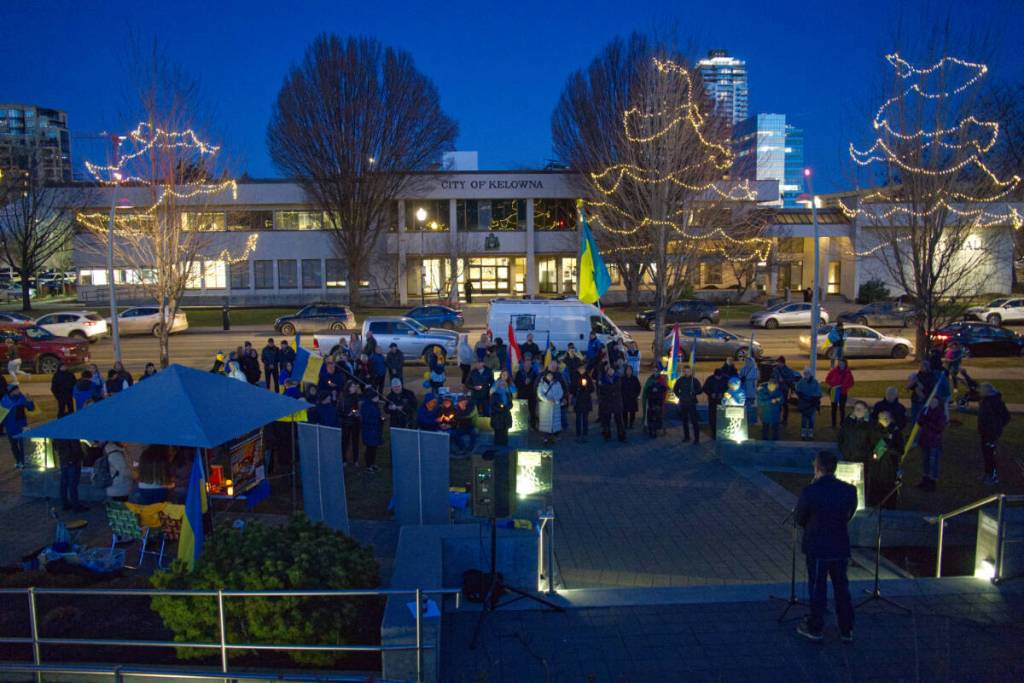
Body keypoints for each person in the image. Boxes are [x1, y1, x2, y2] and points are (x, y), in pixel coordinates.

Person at [795, 451, 858, 643]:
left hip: (818, 546)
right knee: (842, 588)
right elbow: (850, 513)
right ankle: (846, 628)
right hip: (839, 545)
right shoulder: (848, 490)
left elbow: (800, 518)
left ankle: (816, 627)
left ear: (817, 468)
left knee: (817, 587)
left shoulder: (810, 491)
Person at [977, 383, 1010, 485]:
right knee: (986, 454)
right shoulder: (985, 401)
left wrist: (997, 427)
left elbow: (1006, 417)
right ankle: (987, 473)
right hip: (985, 432)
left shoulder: (996, 402)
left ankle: (994, 477)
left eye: (982, 390)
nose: (980, 392)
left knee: (991, 455)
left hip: (992, 434)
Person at [869, 410, 903, 506]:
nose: (884, 420)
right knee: (876, 484)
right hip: (877, 466)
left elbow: (900, 450)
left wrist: (887, 449)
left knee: (889, 485)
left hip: (890, 465)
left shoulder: (896, 432)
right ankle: (875, 503)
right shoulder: (876, 430)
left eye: (886, 418)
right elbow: (872, 446)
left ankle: (889, 504)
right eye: (882, 418)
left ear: (891, 419)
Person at [916, 397, 948, 492]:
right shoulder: (926, 411)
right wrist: (922, 418)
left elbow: (939, 427)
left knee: (933, 462)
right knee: (925, 461)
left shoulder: (940, 414)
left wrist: (927, 422)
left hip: (934, 442)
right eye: (931, 401)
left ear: (938, 403)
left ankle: (932, 482)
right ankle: (925, 479)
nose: (932, 403)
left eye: (935, 402)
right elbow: (920, 421)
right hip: (925, 440)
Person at [2, 385, 34, 469]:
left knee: (23, 445)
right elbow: (1, 416)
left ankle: (23, 462)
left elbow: (31, 408)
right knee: (14, 446)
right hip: (10, 427)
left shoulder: (22, 398)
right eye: (16, 390)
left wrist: (30, 401)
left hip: (22, 426)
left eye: (18, 389)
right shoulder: (4, 400)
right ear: (11, 392)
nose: (18, 391)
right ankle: (18, 460)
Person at [54, 438, 87, 511]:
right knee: (73, 485)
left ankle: (65, 504)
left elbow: (56, 448)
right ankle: (76, 506)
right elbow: (76, 449)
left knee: (64, 484)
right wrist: (82, 456)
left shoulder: (57, 435)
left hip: (63, 461)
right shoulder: (71, 434)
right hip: (73, 461)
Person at [672, 366, 703, 444]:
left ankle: (697, 439)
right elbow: (675, 389)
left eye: (688, 371)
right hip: (683, 402)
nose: (687, 372)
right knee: (684, 421)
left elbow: (700, 390)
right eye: (685, 371)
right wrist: (679, 395)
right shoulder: (680, 380)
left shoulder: (694, 380)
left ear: (691, 372)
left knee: (694, 421)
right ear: (683, 372)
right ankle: (687, 437)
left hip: (692, 403)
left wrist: (694, 392)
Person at [597, 364, 625, 442]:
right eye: (608, 370)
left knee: (619, 420)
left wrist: (608, 388)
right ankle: (607, 434)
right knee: (606, 420)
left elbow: (617, 388)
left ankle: (621, 435)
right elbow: (602, 390)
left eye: (611, 369)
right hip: (607, 402)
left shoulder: (617, 378)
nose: (610, 371)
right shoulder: (603, 379)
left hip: (616, 402)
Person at [338, 381, 363, 466]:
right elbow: (339, 411)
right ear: (348, 387)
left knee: (355, 441)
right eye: (352, 386)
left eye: (355, 386)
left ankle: (355, 460)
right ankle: (343, 459)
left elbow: (358, 408)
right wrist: (347, 414)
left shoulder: (357, 397)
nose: (354, 388)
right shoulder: (343, 397)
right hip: (346, 422)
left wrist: (357, 413)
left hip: (356, 422)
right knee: (345, 441)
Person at [825, 359, 854, 428]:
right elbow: (827, 379)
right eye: (839, 363)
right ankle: (833, 424)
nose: (841, 365)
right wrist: (834, 385)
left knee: (842, 408)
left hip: (843, 392)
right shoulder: (834, 371)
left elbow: (851, 383)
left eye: (842, 364)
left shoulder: (848, 372)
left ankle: (842, 424)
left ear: (845, 364)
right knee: (833, 408)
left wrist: (843, 386)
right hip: (834, 391)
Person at [795, 368, 823, 440]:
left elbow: (819, 392)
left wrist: (813, 398)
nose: (806, 375)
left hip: (812, 404)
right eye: (805, 373)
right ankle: (803, 432)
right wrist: (801, 396)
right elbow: (797, 389)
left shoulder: (815, 382)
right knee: (804, 419)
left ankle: (810, 432)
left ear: (810, 374)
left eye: (807, 373)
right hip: (804, 404)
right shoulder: (801, 382)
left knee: (811, 419)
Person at [771, 356, 800, 425]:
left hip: (784, 389)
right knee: (776, 404)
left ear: (782, 363)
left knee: (784, 404)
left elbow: (791, 379)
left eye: (778, 362)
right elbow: (772, 378)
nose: (777, 363)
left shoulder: (788, 370)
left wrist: (783, 380)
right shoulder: (775, 369)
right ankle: (776, 418)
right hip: (776, 390)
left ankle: (784, 420)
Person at [537, 370, 564, 445]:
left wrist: (555, 399)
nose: (550, 377)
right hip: (545, 406)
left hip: (555, 404)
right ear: (545, 376)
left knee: (554, 421)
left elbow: (561, 392)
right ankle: (546, 437)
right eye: (548, 375)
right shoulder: (541, 384)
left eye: (551, 375)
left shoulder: (557, 383)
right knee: (546, 422)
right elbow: (539, 394)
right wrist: (547, 400)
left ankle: (553, 436)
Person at [514, 352, 540, 431]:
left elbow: (537, 383)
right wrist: (523, 383)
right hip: (522, 394)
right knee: (522, 411)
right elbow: (516, 383)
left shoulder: (534, 373)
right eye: (526, 361)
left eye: (529, 361)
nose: (528, 363)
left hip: (531, 394)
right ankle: (522, 425)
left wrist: (530, 382)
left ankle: (533, 425)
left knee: (532, 411)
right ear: (524, 362)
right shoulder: (519, 373)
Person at [360, 391, 383, 472]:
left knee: (374, 448)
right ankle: (368, 465)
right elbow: (365, 419)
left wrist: (380, 419)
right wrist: (377, 421)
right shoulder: (366, 406)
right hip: (369, 430)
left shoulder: (374, 405)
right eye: (376, 397)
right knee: (370, 448)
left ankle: (372, 463)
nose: (378, 398)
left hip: (375, 430)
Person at [703, 367, 728, 439]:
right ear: (714, 375)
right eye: (717, 377)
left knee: (722, 417)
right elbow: (705, 388)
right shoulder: (710, 379)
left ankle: (722, 432)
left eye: (719, 377)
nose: (718, 378)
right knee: (712, 418)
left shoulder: (725, 379)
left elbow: (729, 389)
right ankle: (713, 433)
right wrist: (710, 394)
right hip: (712, 401)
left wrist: (723, 394)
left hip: (722, 401)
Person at [570, 365, 593, 442]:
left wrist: (586, 387)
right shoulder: (575, 377)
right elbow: (571, 389)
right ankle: (578, 434)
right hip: (578, 400)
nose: (582, 370)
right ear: (578, 369)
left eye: (583, 368)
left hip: (586, 400)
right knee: (578, 418)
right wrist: (578, 388)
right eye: (580, 368)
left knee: (585, 418)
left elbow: (592, 388)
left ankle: (585, 433)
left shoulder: (588, 377)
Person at [490, 378, 514, 446]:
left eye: (504, 384)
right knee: (498, 434)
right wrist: (501, 408)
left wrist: (505, 408)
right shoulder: (494, 394)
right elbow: (492, 405)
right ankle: (497, 449)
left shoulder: (508, 394)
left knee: (505, 434)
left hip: (506, 417)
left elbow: (511, 404)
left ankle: (504, 451)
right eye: (501, 384)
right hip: (497, 417)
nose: (502, 386)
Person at [644, 373, 669, 438]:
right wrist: (652, 390)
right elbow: (646, 391)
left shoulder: (662, 383)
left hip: (658, 403)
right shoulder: (650, 382)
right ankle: (651, 430)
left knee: (656, 418)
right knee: (651, 417)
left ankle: (655, 431)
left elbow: (665, 389)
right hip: (651, 403)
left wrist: (658, 389)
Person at [620, 365, 642, 430]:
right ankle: (625, 423)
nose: (629, 371)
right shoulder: (622, 379)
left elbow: (638, 387)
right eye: (627, 370)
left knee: (632, 412)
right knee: (625, 412)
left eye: (630, 370)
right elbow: (620, 388)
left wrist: (636, 394)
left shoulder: (634, 379)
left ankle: (631, 424)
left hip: (632, 398)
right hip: (625, 398)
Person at [738, 356, 759, 423]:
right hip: (745, 389)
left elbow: (755, 378)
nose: (747, 362)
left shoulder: (754, 369)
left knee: (750, 404)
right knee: (744, 403)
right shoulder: (743, 369)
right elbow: (739, 376)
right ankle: (745, 417)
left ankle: (750, 417)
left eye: (748, 361)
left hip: (750, 390)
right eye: (746, 361)